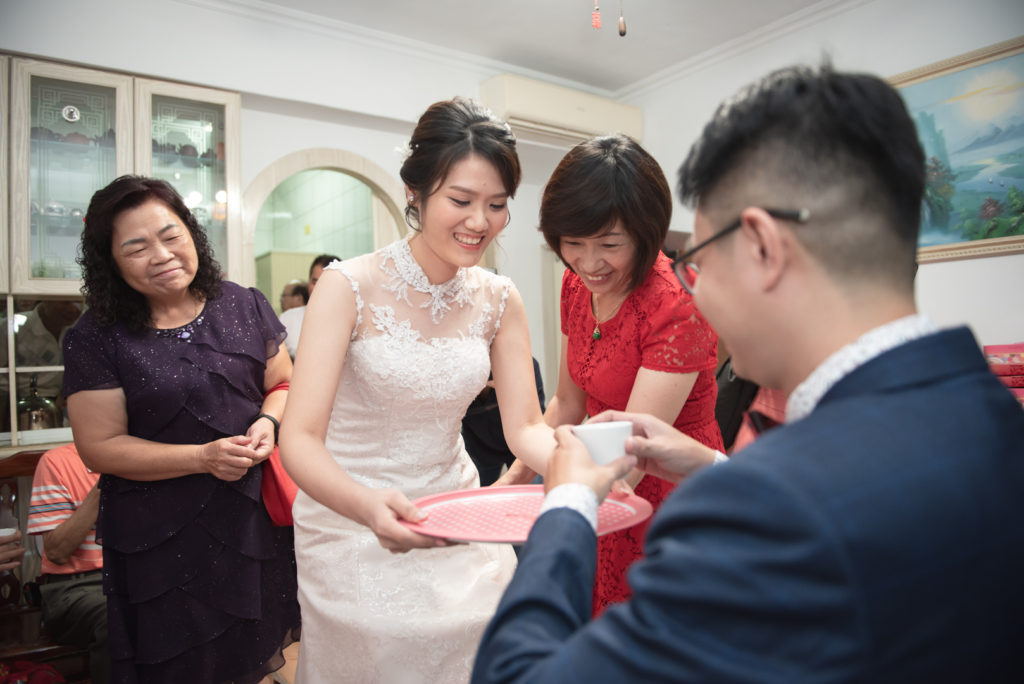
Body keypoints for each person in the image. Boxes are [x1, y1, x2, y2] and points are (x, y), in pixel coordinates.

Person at [473, 64, 1024, 681]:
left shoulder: (766, 510)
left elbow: (518, 674)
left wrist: (570, 502)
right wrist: (716, 466)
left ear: (762, 247)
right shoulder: (993, 415)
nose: (697, 294)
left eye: (700, 263)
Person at [279, 97, 554, 683]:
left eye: (497, 205)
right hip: (350, 517)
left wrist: (576, 465)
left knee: (486, 635)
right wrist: (365, 506)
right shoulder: (347, 286)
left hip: (454, 510)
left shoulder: (500, 298)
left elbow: (527, 427)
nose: (480, 222)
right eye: (461, 200)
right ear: (415, 193)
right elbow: (298, 439)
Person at [62, 175, 301, 683]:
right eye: (136, 247)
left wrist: (268, 420)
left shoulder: (243, 304)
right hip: (159, 537)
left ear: (192, 234)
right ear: (110, 261)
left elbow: (283, 383)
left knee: (253, 657)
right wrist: (201, 458)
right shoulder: (96, 337)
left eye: (171, 235)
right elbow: (99, 447)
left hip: (251, 521)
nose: (162, 255)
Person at [499, 134, 722, 614]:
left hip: (662, 485)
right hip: (598, 476)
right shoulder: (575, 285)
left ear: (646, 234)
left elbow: (634, 447)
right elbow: (568, 403)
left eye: (609, 244)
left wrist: (567, 507)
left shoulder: (677, 304)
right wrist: (513, 480)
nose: (589, 262)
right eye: (573, 243)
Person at [27, 443, 108, 683]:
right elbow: (57, 552)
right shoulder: (56, 462)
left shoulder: (145, 458)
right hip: (74, 588)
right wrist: (106, 484)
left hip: (134, 579)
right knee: (118, 616)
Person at [461, 358, 545, 486]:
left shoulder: (526, 365)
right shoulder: (461, 374)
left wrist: (512, 387)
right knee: (477, 495)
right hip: (478, 449)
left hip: (522, 449)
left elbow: (537, 421)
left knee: (531, 492)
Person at [280, 254, 339, 359]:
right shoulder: (287, 319)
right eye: (314, 282)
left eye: (325, 282)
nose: (318, 287)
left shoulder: (350, 321)